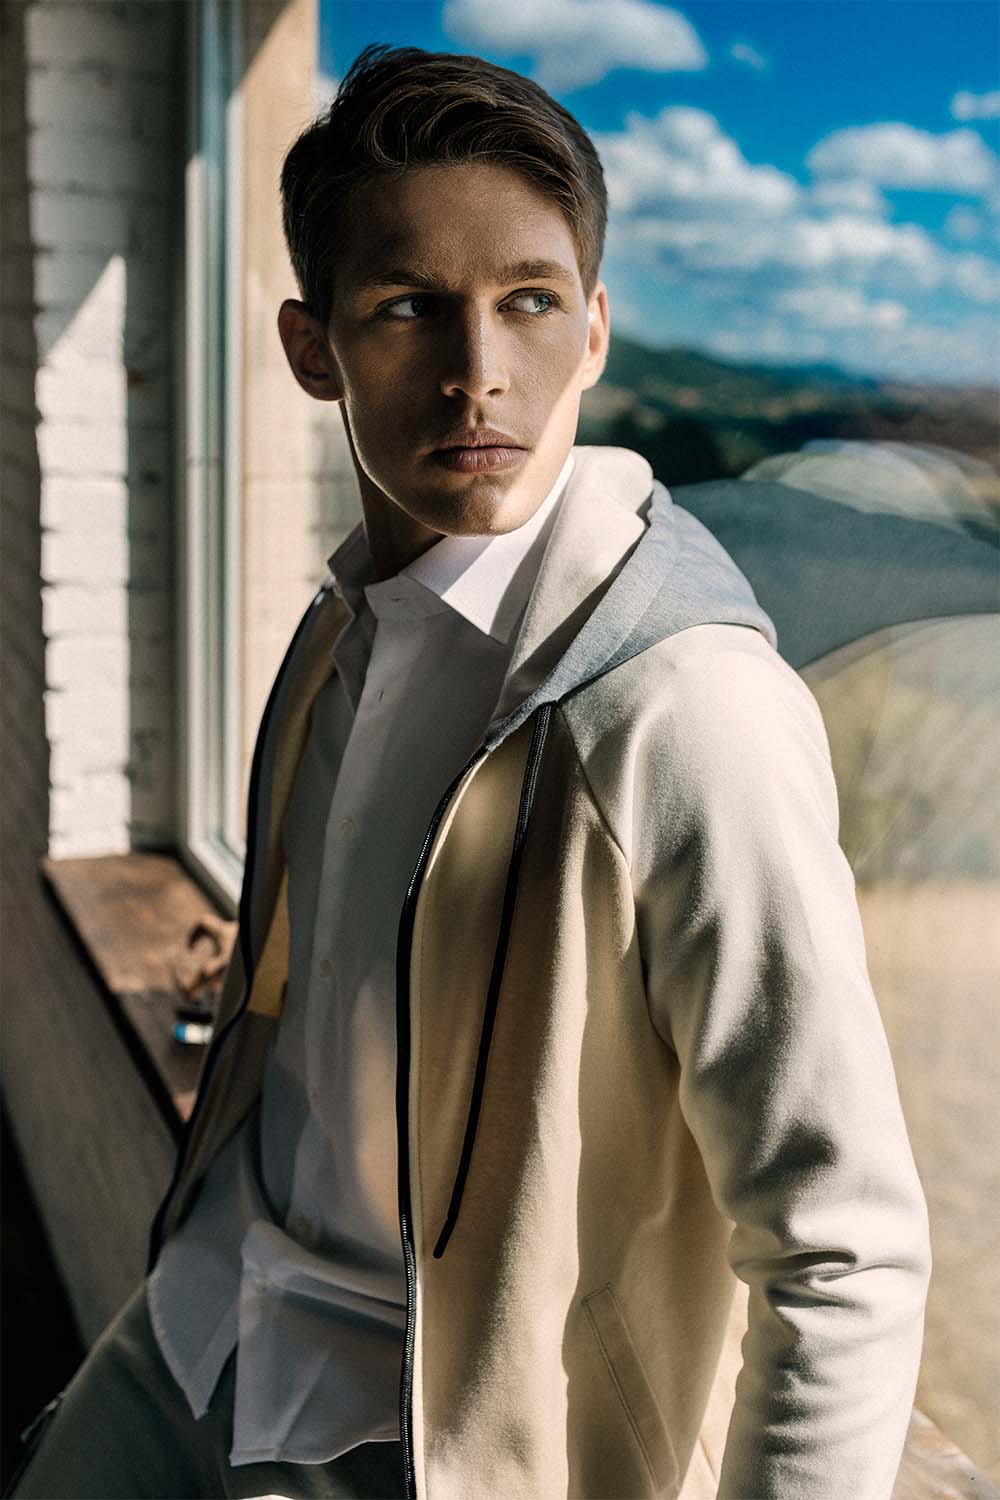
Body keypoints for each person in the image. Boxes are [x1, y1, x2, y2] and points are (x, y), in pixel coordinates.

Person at [9, 42, 931, 1500]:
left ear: (596, 332)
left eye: (530, 303)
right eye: (407, 307)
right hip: (208, 1315)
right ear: (312, 349)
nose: (478, 375)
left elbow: (847, 1252)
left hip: (439, 1440)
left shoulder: (689, 709)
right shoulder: (339, 629)